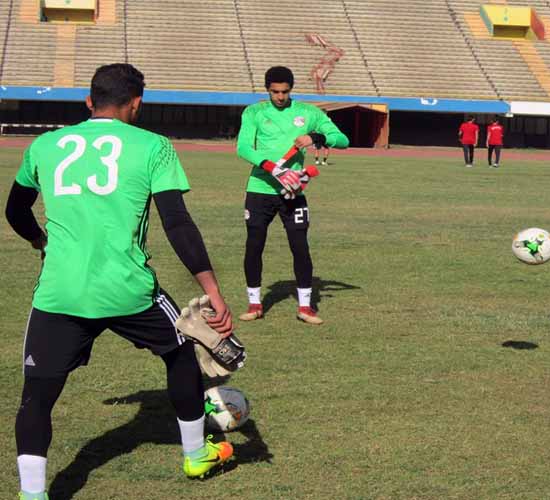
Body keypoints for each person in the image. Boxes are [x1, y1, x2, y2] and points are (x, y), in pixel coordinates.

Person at [5, 63, 235, 500]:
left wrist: (39, 240)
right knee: (183, 350)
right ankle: (195, 454)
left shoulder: (45, 144)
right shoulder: (153, 146)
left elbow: (15, 211)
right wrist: (212, 290)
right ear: (137, 103)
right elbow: (177, 223)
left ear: (88, 102)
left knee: (37, 395)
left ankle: (32, 494)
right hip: (129, 289)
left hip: (60, 292)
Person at [236, 66, 349, 325]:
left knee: (300, 247)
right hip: (260, 190)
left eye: (285, 92)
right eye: (275, 92)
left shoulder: (308, 112)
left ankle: (306, 308)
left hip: (293, 191)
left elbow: (342, 140)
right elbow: (243, 147)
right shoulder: (253, 112)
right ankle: (254, 304)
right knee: (254, 245)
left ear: (291, 89)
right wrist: (272, 168)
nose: (280, 97)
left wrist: (315, 136)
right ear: (267, 90)